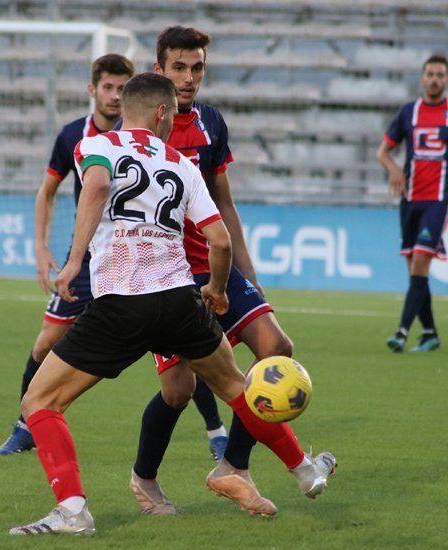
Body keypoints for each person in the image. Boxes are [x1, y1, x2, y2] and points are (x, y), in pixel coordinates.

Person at [8, 73, 335, 536]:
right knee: (238, 388)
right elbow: (219, 240)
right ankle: (305, 471)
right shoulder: (181, 163)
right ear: (163, 113)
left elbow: (97, 189)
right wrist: (217, 291)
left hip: (121, 303)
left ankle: (73, 510)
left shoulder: (96, 146)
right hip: (181, 300)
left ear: (128, 108)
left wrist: (74, 259)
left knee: (40, 399)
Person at [128, 26, 317, 517]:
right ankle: (144, 478)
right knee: (179, 390)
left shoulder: (212, 123)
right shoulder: (139, 134)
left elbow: (224, 203)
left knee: (277, 346)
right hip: (168, 277)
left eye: (197, 68)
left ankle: (232, 466)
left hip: (218, 264)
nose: (189, 78)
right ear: (158, 71)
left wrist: (248, 276)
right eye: (179, 68)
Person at [0, 54, 135, 455]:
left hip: (131, 258)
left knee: (179, 352)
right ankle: (26, 429)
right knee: (44, 346)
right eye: (107, 87)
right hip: (87, 260)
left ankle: (217, 433)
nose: (114, 96)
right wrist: (41, 247)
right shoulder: (73, 135)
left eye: (123, 88)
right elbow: (47, 191)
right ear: (93, 90)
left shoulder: (138, 136)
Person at [376, 54, 448, 353]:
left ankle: (400, 332)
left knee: (422, 262)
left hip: (439, 200)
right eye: (430, 74)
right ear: (423, 78)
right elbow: (383, 151)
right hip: (410, 199)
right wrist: (395, 169)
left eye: (440, 74)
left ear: (447, 79)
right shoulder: (408, 112)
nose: (435, 79)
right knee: (415, 269)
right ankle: (430, 333)